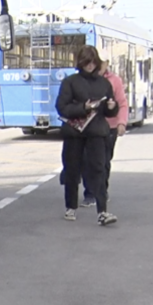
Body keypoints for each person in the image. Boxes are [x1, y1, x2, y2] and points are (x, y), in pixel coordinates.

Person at [56, 45, 118, 226]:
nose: (90, 66)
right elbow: (62, 107)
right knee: (72, 170)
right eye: (86, 62)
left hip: (97, 133)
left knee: (99, 170)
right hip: (74, 133)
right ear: (80, 63)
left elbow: (108, 113)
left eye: (92, 62)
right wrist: (84, 107)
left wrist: (111, 108)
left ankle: (102, 211)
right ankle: (71, 206)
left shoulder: (104, 84)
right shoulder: (70, 82)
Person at [81, 60, 128, 207]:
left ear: (106, 64)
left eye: (100, 63)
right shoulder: (82, 79)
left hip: (110, 126)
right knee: (87, 160)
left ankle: (101, 191)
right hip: (88, 126)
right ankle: (90, 193)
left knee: (103, 161)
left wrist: (121, 123)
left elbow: (122, 103)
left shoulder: (114, 81)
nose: (95, 66)